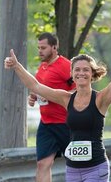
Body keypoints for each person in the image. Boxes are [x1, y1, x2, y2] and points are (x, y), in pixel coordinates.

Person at [4, 44, 111, 182]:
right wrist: (16, 66)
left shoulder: (100, 99)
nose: (81, 73)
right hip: (72, 170)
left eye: (86, 70)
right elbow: (36, 86)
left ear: (92, 74)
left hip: (96, 168)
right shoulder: (66, 99)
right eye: (77, 70)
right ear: (72, 74)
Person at [28, 32, 76, 182]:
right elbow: (36, 89)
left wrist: (56, 96)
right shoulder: (42, 67)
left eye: (43, 47)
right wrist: (33, 97)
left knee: (77, 163)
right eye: (38, 47)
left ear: (54, 47)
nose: (40, 51)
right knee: (43, 163)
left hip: (65, 124)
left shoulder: (66, 66)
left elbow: (79, 89)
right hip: (46, 124)